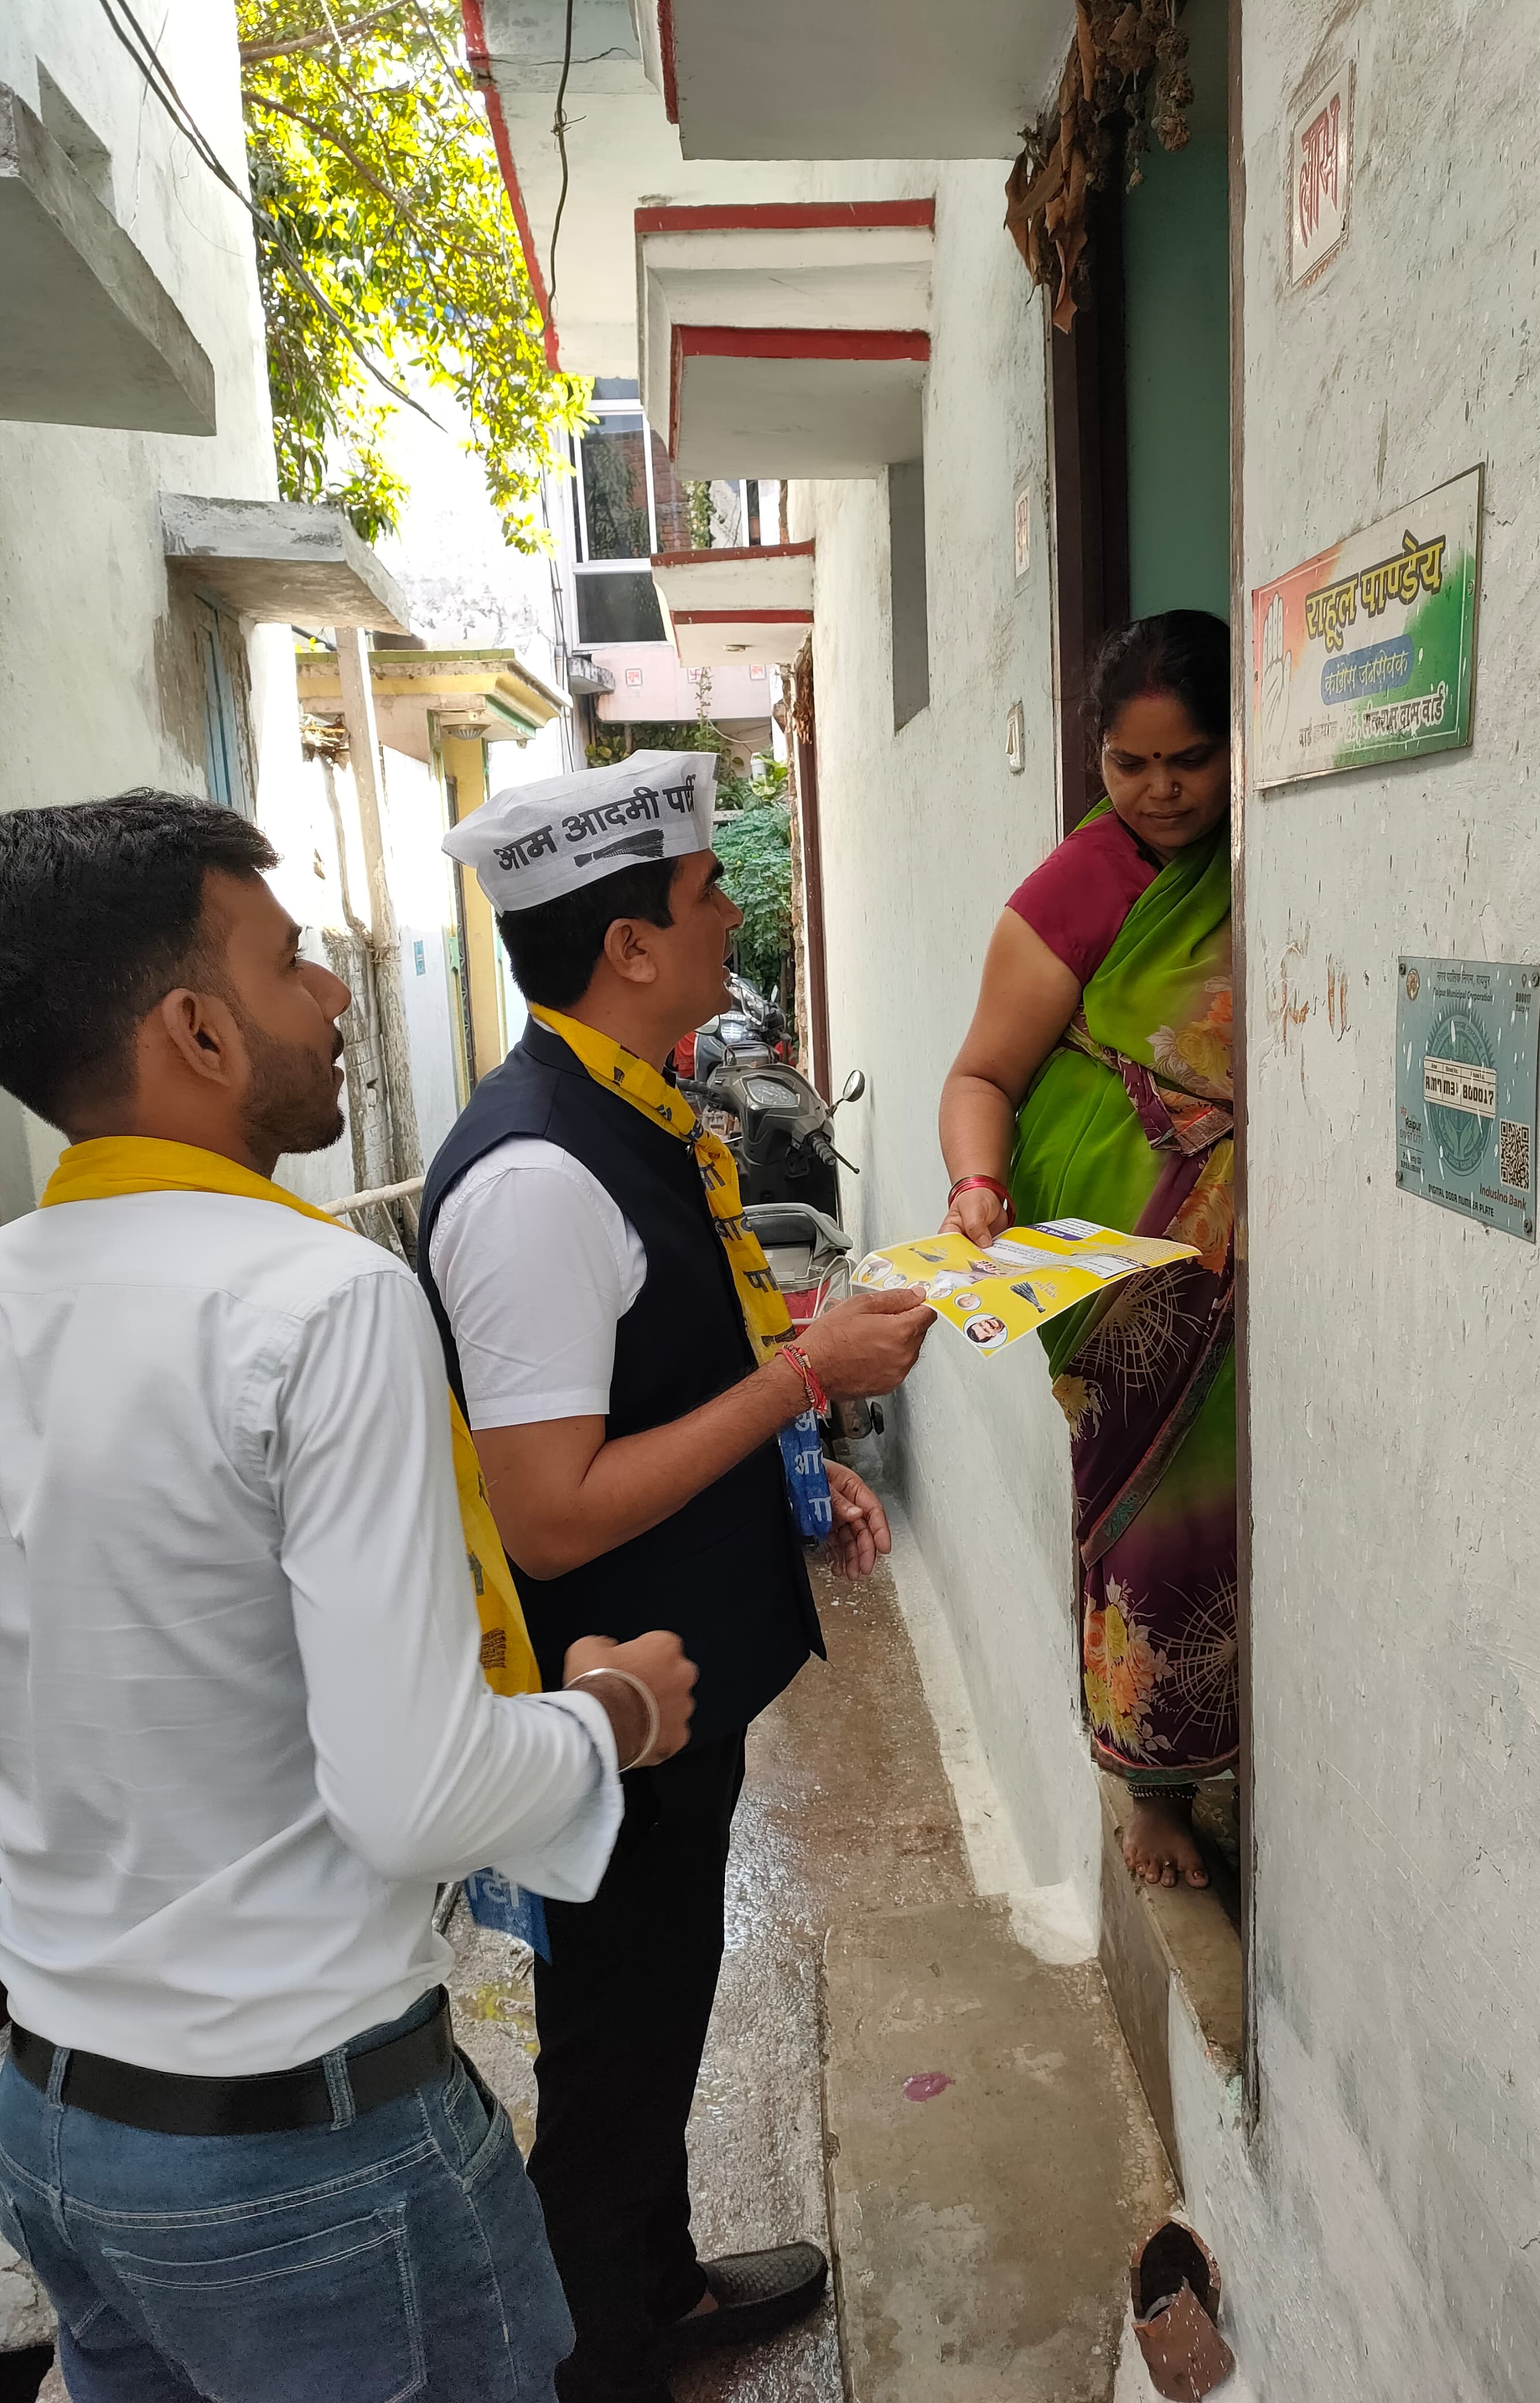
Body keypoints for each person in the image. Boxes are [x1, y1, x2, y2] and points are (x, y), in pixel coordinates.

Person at [0, 793, 699, 2402]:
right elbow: (418, 1794)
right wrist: (613, 1716)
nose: (329, 998)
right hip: (292, 2156)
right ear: (196, 1030)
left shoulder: (24, 1290)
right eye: (291, 962)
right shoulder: (319, 1303)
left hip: (58, 2127)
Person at [423, 753, 935, 2403]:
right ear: (632, 946)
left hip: (677, 1699)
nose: (734, 913)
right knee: (617, 2064)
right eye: (709, 894)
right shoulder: (535, 1179)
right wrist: (806, 1380)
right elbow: (554, 1512)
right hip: (612, 1712)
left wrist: (800, 1467)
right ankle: (604, 2357)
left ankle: (658, 2281)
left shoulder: (633, 1112)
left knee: (653, 2026)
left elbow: (656, 1383)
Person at [939, 613, 1238, 1891]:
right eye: (1129, 764)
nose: (1160, 791)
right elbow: (981, 1072)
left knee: (1247, 1524)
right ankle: (1152, 1788)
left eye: (1190, 759)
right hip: (1114, 1285)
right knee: (1145, 1531)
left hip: (1246, 1271)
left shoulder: (1273, 850)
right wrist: (976, 1183)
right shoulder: (1082, 885)